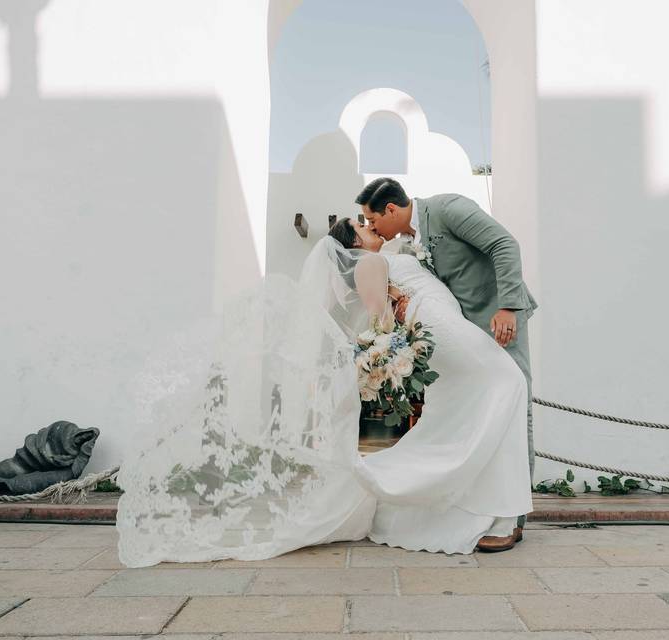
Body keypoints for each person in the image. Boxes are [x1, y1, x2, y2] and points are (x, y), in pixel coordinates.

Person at [115, 215, 532, 566]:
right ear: (353, 244)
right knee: (507, 383)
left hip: (446, 324)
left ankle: (483, 506)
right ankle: (474, 504)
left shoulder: (383, 257)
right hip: (442, 329)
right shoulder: (369, 263)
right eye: (361, 226)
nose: (369, 226)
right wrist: (394, 347)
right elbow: (382, 319)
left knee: (480, 402)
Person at [357, 178, 537, 551]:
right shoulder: (403, 242)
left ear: (391, 209)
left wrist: (509, 307)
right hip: (462, 332)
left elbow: (504, 244)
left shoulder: (448, 209)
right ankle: (474, 506)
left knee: (514, 401)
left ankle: (513, 518)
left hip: (498, 321)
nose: (373, 229)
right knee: (474, 413)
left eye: (374, 221)